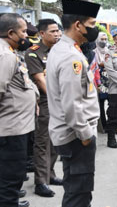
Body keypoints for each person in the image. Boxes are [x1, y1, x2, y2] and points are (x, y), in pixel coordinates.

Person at [46, 0, 101, 207]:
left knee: (77, 189)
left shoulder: (65, 50)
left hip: (71, 134)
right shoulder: (70, 57)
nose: (94, 30)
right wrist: (85, 134)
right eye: (92, 25)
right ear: (78, 25)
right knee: (79, 194)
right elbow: (72, 104)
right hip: (76, 137)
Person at [0, 13, 37, 207]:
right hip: (10, 129)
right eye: (23, 31)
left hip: (16, 127)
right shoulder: (5, 56)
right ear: (11, 33)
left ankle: (11, 201)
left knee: (10, 178)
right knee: (10, 178)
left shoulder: (9, 52)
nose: (26, 36)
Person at [24, 19, 63, 198]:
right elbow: (40, 79)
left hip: (61, 100)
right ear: (41, 34)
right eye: (53, 31)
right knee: (42, 142)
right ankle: (41, 181)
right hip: (45, 102)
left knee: (56, 139)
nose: (57, 34)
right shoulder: (33, 53)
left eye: (58, 31)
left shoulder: (59, 51)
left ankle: (50, 174)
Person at [94, 32, 110, 132]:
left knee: (113, 104)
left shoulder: (109, 51)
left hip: (110, 81)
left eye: (105, 39)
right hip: (98, 81)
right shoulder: (93, 52)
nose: (103, 41)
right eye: (101, 39)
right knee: (100, 104)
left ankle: (111, 124)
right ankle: (103, 126)